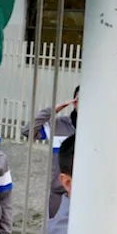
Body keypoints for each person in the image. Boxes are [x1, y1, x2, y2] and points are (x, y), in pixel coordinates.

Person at [28, 88, 79, 217]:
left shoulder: (99, 127)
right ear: (73, 102)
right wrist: (53, 110)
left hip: (88, 193)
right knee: (56, 231)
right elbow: (28, 131)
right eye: (79, 99)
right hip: (60, 192)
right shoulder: (58, 125)